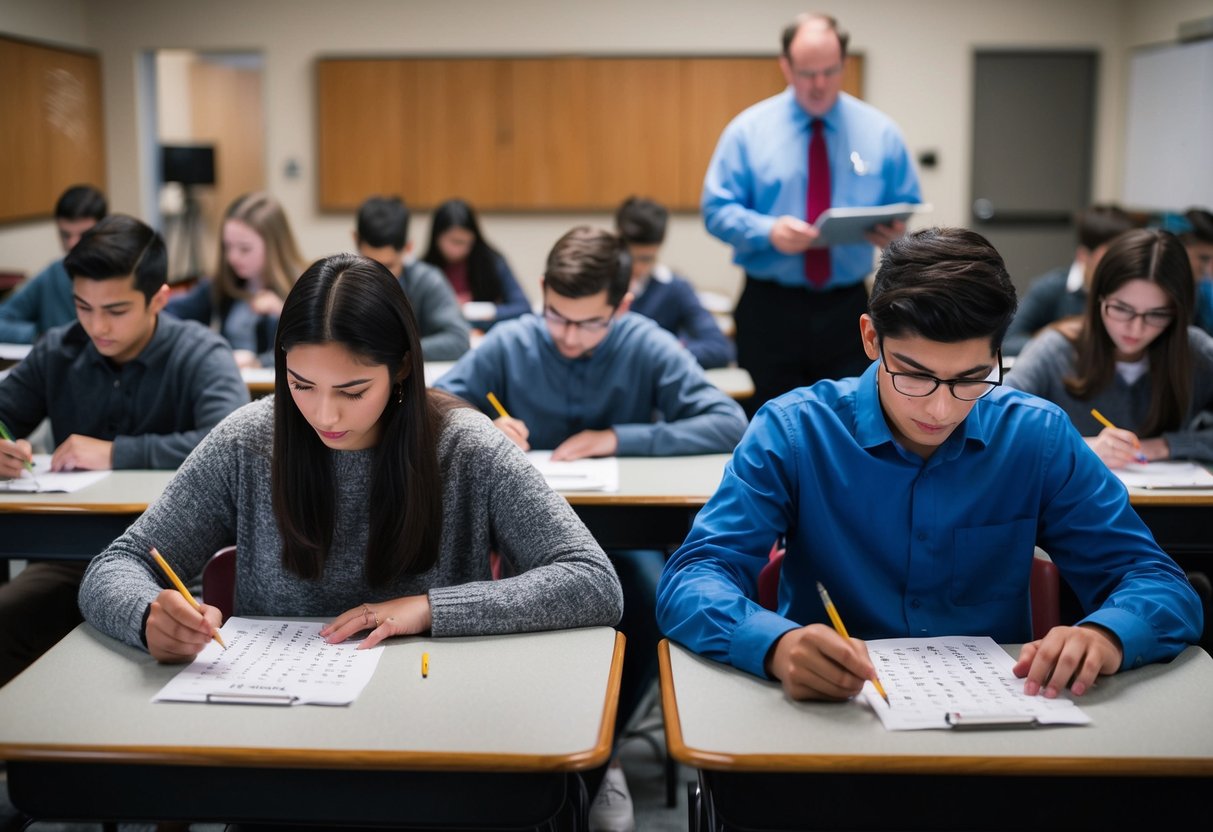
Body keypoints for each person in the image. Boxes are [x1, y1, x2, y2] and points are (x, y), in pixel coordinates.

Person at [656, 227, 1202, 706]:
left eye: (971, 378)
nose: (941, 409)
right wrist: (775, 645)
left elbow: (1158, 582)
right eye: (914, 375)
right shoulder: (795, 431)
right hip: (830, 712)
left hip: (999, 717)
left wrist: (1107, 635)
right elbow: (692, 578)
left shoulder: (1037, 437)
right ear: (872, 339)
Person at [78, 252, 622, 663]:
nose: (324, 415)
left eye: (353, 391)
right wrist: (147, 615)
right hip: (279, 713)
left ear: (403, 368)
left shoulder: (465, 446)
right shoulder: (249, 441)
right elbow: (115, 565)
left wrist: (430, 608)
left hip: (437, 710)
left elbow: (594, 581)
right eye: (301, 384)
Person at [435, 226, 747, 831]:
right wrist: (479, 426)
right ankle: (528, 745)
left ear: (622, 307)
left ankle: (599, 759)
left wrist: (620, 439)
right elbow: (433, 403)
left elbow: (726, 420)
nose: (570, 337)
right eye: (558, 316)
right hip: (526, 542)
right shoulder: (513, 339)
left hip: (621, 537)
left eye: (590, 323)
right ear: (543, 292)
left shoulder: (644, 342)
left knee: (647, 595)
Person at [0, 214, 249, 687]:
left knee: (159, 670)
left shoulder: (200, 352)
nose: (96, 325)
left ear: (159, 298)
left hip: (176, 567)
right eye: (82, 306)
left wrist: (117, 453)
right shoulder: (58, 349)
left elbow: (227, 441)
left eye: (115, 310)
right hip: (67, 560)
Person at [702, 12, 921, 414]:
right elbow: (715, 209)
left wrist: (893, 233)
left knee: (853, 420)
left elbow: (906, 206)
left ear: (844, 64)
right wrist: (768, 231)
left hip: (849, 306)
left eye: (829, 71)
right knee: (770, 420)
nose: (819, 84)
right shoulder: (748, 131)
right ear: (785, 66)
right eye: (807, 73)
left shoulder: (881, 132)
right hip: (770, 305)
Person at [1005, 228, 1213, 467]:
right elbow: (996, 424)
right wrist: (1080, 446)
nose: (1135, 329)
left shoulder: (1195, 351)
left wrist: (1165, 446)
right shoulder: (1055, 350)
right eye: (1122, 309)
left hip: (1171, 501)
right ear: (1098, 300)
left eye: (1157, 314)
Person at [165, 191, 306, 368]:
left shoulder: (305, 288)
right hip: (230, 382)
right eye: (227, 246)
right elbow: (169, 312)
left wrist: (281, 315)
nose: (233, 257)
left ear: (273, 246)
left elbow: (307, 352)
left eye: (244, 249)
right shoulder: (223, 284)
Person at [615, 196, 736, 369]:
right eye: (628, 257)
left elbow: (719, 350)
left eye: (646, 259)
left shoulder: (675, 288)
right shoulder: (600, 286)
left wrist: (664, 351)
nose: (636, 268)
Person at [1003, 205, 1138, 356]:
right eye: (1109, 258)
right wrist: (1059, 341)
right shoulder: (1051, 288)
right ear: (1083, 255)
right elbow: (1007, 341)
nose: (1118, 267)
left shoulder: (1133, 292)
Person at [353, 195, 470, 360]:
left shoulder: (426, 280)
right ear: (355, 239)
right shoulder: (343, 283)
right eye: (369, 264)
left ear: (408, 248)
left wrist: (394, 352)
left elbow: (458, 341)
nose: (376, 276)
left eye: (388, 266)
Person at [0, 184, 107, 343]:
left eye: (84, 234)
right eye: (65, 235)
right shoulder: (53, 275)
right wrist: (42, 335)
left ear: (104, 229)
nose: (72, 244)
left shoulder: (122, 275)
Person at [422, 198, 531, 330]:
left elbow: (522, 308)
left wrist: (484, 311)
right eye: (454, 242)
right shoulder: (424, 269)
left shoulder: (491, 261)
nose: (459, 250)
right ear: (437, 238)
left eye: (465, 242)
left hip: (483, 336)